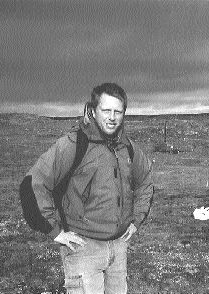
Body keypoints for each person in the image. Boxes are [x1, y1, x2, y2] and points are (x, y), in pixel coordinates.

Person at [19, 83, 154, 293]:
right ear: (92, 110)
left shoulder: (128, 147)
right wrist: (54, 231)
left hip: (118, 248)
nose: (112, 117)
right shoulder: (73, 144)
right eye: (106, 110)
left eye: (118, 111)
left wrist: (136, 219)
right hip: (84, 249)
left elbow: (145, 181)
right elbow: (32, 183)